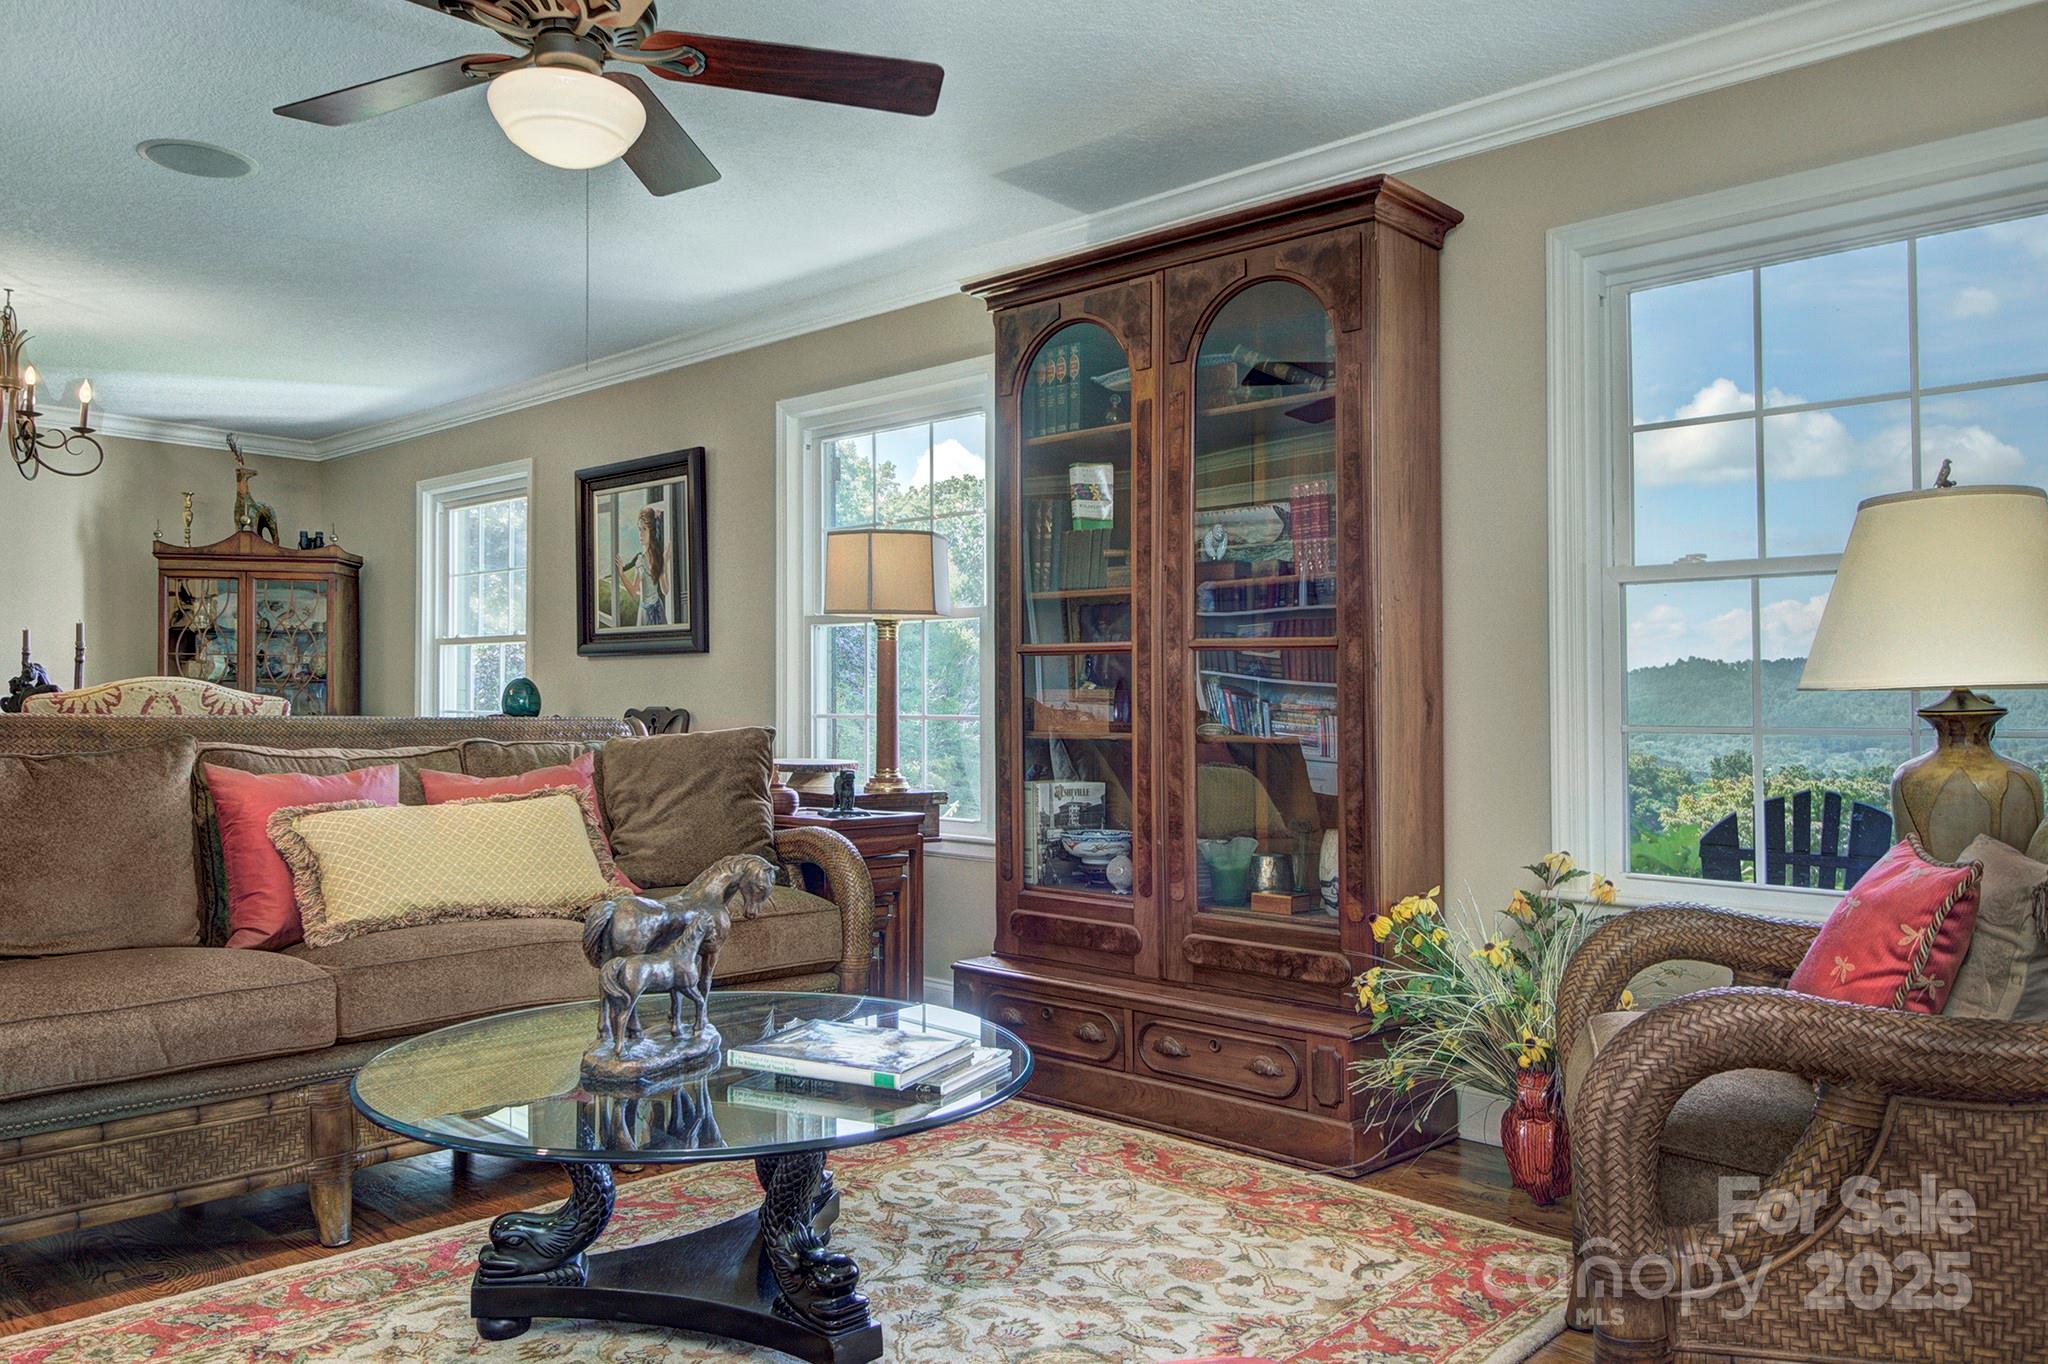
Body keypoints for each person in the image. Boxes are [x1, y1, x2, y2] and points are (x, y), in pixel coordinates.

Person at [614, 502, 670, 627]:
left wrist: (665, 562)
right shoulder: (640, 560)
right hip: (644, 612)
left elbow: (665, 591)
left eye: (644, 529)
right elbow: (634, 591)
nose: (640, 534)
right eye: (639, 529)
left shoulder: (657, 557)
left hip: (658, 609)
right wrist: (622, 575)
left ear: (652, 531)